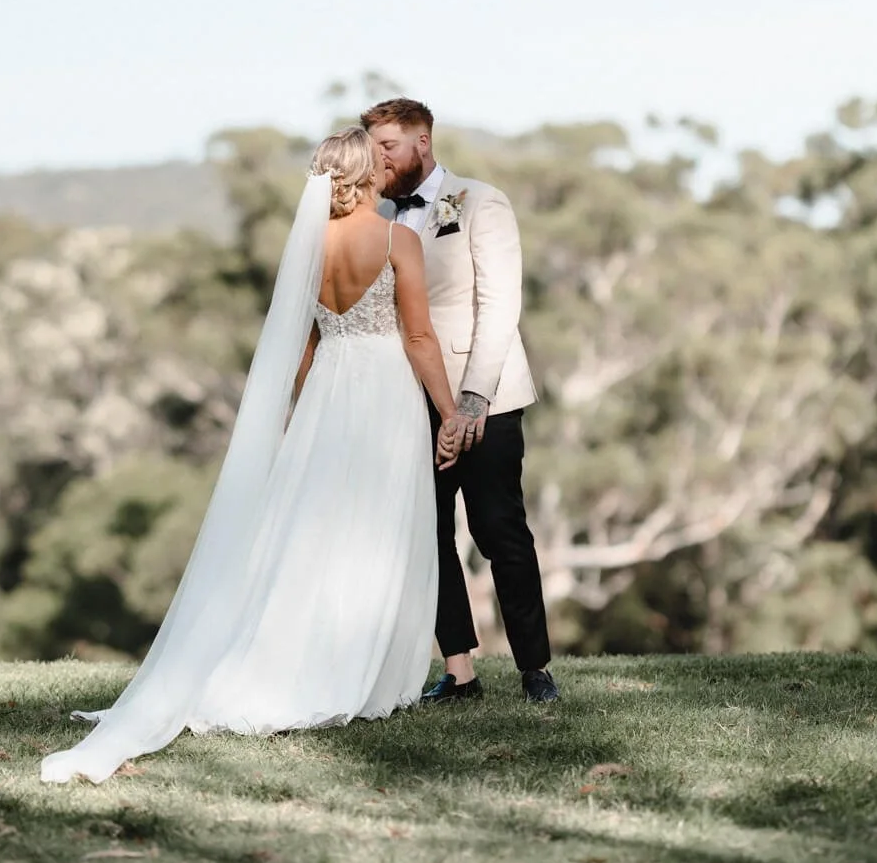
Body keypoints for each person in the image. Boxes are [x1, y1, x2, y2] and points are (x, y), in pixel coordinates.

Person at [41, 127, 461, 783]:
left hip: (327, 395)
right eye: (378, 161)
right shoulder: (395, 238)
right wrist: (451, 410)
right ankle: (358, 670)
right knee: (377, 528)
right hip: (386, 394)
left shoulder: (308, 248)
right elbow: (419, 335)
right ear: (363, 173)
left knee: (307, 534)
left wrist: (304, 408)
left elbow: (304, 348)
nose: (386, 169)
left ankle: (295, 655)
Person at [362, 98, 560, 705]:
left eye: (387, 146)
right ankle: (460, 672)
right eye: (371, 148)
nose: (379, 159)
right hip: (411, 397)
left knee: (499, 528)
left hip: (485, 397)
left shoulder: (480, 201)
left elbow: (499, 305)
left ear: (422, 141)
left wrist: (469, 404)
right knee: (429, 531)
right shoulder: (380, 216)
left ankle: (535, 670)